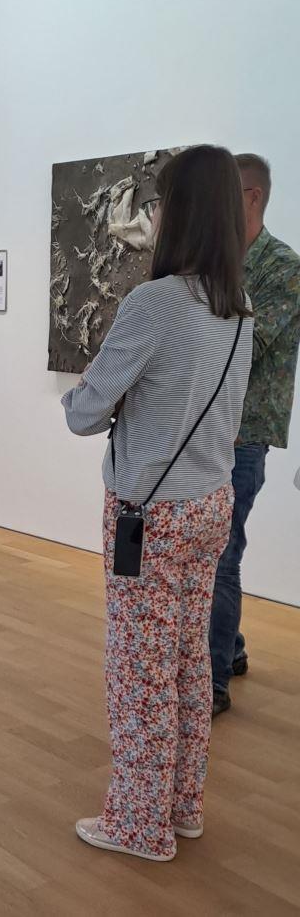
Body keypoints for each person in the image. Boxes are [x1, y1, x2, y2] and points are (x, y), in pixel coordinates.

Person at [61, 145, 253, 862]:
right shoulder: (239, 309)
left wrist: (88, 395)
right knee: (188, 661)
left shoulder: (155, 303)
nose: (154, 213)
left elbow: (86, 412)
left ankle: (139, 826)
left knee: (139, 672)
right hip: (210, 504)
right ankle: (181, 805)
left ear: (181, 211)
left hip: (151, 514)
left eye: (161, 200)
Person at [209, 154, 300, 716]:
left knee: (222, 553)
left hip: (244, 436)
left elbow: (246, 343)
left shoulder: (284, 268)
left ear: (253, 197)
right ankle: (233, 646)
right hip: (209, 430)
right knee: (216, 547)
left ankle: (213, 680)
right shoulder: (220, 263)